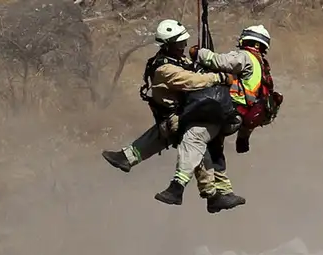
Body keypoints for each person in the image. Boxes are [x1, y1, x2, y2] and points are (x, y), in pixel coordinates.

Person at [100, 19, 246, 213]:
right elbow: (193, 81)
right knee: (196, 139)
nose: (183, 47)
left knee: (193, 140)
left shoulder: (176, 61)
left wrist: (202, 59)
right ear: (168, 45)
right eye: (179, 44)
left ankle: (127, 157)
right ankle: (203, 193)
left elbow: (193, 70)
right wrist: (218, 77)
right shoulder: (164, 69)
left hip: (180, 115)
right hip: (178, 119)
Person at [190, 24, 284, 157]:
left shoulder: (245, 56)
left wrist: (199, 54)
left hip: (229, 112)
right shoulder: (261, 64)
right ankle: (219, 173)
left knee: (193, 139)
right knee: (215, 152)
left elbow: (219, 61)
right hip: (240, 117)